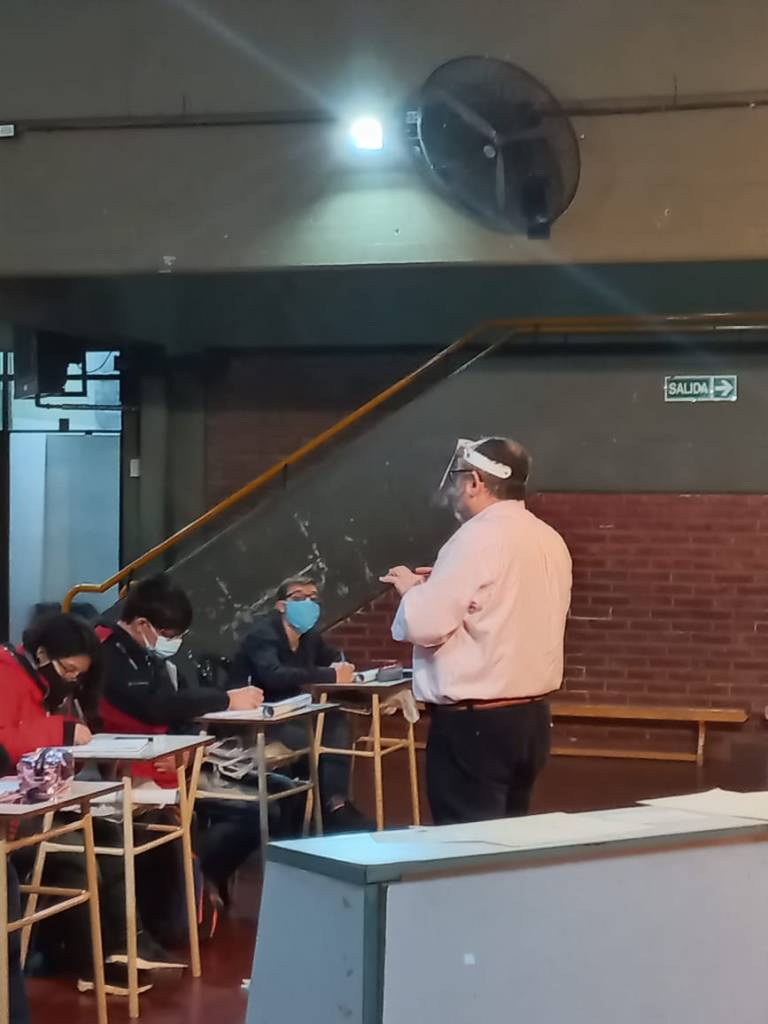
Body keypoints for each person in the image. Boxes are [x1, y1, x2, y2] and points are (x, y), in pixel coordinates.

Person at [381, 437, 572, 825]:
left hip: (478, 723)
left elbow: (425, 624)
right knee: (506, 840)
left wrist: (412, 590)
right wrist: (440, 585)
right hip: (532, 719)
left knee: (467, 842)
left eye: (458, 478)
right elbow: (502, 605)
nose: (455, 488)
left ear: (475, 482)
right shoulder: (549, 539)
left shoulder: (475, 538)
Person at [96, 575, 282, 907]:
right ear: (142, 624)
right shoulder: (107, 652)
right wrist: (225, 700)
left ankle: (201, 878)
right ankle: (194, 882)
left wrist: (190, 747)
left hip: (175, 758)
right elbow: (152, 706)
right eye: (169, 635)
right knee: (253, 813)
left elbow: (178, 706)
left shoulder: (149, 656)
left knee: (275, 797)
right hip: (131, 767)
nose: (174, 643)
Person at [231, 577, 373, 832]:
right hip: (260, 719)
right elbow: (273, 675)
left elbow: (334, 657)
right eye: (298, 598)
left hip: (293, 712)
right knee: (320, 736)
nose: (307, 603)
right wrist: (330, 675)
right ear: (281, 606)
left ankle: (334, 803)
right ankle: (328, 810)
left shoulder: (308, 637)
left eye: (312, 598)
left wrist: (342, 665)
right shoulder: (262, 636)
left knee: (335, 722)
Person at [0, 612, 99, 768]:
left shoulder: (44, 686)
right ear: (42, 654)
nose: (72, 678)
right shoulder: (5, 674)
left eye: (78, 674)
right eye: (68, 669)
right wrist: (63, 732)